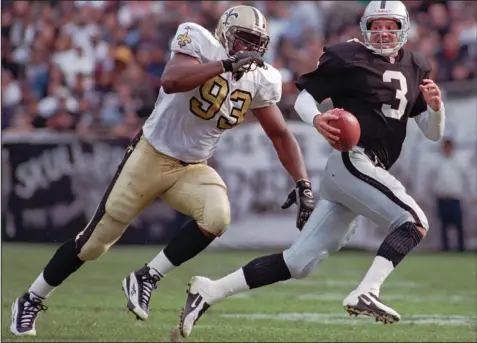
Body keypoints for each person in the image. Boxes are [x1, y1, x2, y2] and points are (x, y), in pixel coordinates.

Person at [10, 5, 316, 336]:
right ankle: (30, 299)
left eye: (257, 43)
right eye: (243, 40)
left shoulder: (262, 78)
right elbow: (171, 81)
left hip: (193, 167)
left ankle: (147, 276)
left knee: (217, 217)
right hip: (151, 156)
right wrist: (226, 64)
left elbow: (280, 134)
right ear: (225, 34)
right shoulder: (198, 39)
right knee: (93, 244)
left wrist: (303, 182)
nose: (250, 50)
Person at [176, 0, 446, 338]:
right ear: (365, 28)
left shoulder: (417, 65)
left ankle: (209, 290)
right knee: (414, 221)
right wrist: (317, 118)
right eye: (376, 25)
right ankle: (368, 291)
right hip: (352, 159)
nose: (382, 32)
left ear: (402, 28)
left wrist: (436, 108)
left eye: (389, 25)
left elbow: (433, 133)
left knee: (297, 263)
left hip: (360, 172)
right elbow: (306, 97)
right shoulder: (347, 56)